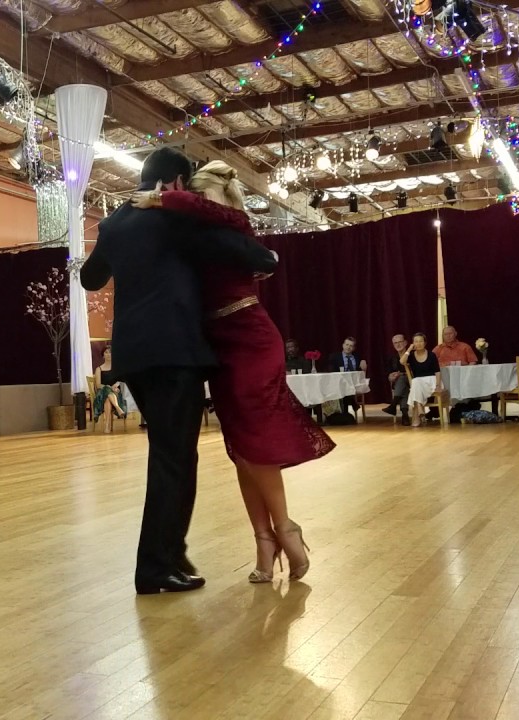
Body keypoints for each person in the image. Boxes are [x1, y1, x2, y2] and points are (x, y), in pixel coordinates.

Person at [80, 148, 278, 596]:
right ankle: (155, 566)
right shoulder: (173, 216)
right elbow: (237, 250)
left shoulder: (114, 223)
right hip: (176, 351)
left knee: (167, 455)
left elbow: (90, 279)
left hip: (133, 355)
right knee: (174, 460)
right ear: (173, 184)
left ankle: (169, 551)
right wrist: (268, 258)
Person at [134, 160, 334, 584]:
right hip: (217, 347)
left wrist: (162, 197)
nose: (201, 202)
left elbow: (220, 214)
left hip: (253, 338)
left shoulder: (234, 225)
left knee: (257, 441)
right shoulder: (194, 234)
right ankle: (263, 541)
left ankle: (286, 529)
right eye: (197, 195)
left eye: (207, 196)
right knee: (241, 447)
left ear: (223, 198)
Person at [405, 332, 444, 428]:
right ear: (413, 343)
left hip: (432, 381)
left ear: (425, 343)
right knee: (416, 382)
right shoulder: (411, 356)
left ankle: (418, 411)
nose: (418, 343)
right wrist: (409, 349)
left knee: (415, 383)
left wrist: (438, 385)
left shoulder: (432, 355)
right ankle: (420, 409)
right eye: (416, 341)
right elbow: (402, 361)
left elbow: (437, 372)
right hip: (419, 384)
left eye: (421, 341)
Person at [92, 346, 127, 433]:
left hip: (115, 394)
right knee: (107, 392)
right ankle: (118, 408)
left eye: (110, 352)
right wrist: (109, 387)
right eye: (106, 352)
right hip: (101, 395)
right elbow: (98, 385)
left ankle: (107, 426)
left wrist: (116, 385)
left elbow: (121, 379)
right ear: (103, 355)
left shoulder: (117, 368)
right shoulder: (99, 369)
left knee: (108, 399)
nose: (108, 354)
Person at [383, 334, 409, 417]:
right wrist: (391, 376)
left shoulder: (412, 355)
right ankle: (405, 416)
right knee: (403, 386)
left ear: (405, 343)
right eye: (395, 343)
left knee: (401, 379)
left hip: (413, 381)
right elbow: (389, 374)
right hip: (400, 384)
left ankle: (393, 405)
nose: (398, 345)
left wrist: (402, 374)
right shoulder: (392, 358)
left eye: (400, 342)